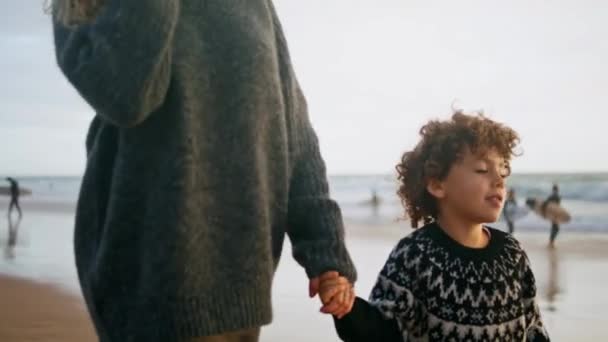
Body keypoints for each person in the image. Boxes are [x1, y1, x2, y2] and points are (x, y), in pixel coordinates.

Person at [50, 1, 356, 341]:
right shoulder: (79, 5)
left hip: (242, 284)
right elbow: (127, 97)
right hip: (146, 281)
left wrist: (326, 252)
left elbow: (293, 132)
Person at [325, 112, 550, 341]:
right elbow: (383, 329)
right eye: (482, 170)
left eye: (503, 170)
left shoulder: (511, 253)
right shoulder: (415, 254)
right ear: (437, 184)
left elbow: (535, 330)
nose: (500, 180)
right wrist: (345, 306)